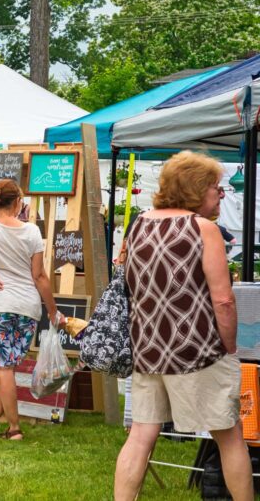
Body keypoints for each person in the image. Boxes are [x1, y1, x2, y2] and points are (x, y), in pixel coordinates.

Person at [114, 152, 251, 500]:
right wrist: (230, 347)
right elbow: (223, 299)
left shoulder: (138, 225)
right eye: (215, 187)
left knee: (141, 435)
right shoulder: (203, 229)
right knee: (230, 435)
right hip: (199, 348)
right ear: (196, 189)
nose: (220, 194)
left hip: (148, 347)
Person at [0, 178, 63, 441]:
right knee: (5, 367)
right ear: (18, 201)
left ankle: (15, 428)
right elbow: (39, 276)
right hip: (27, 307)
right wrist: (52, 311)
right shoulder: (31, 231)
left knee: (2, 367)